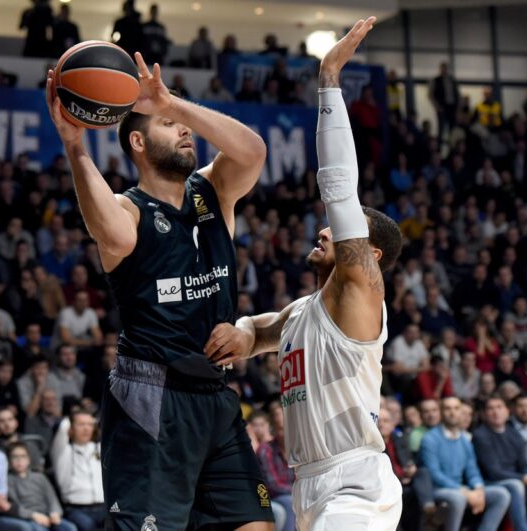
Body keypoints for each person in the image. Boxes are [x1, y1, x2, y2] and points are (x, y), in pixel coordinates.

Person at [45, 23, 271, 528]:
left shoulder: (213, 190)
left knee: (256, 522)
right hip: (152, 394)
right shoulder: (128, 210)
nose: (185, 130)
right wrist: (75, 146)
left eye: (181, 123)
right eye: (169, 125)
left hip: (215, 393)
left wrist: (170, 104)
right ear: (139, 142)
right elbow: (112, 235)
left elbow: (253, 151)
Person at [206, 19, 404, 530]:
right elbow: (259, 331)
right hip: (309, 484)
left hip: (356, 483)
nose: (324, 230)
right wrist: (241, 334)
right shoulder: (302, 312)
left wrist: (329, 80)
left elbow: (339, 187)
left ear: (369, 254)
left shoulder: (361, 291)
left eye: (340, 231)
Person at [420, 397, 511, 531]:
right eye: (447, 408)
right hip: (438, 489)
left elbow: (472, 470)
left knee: (501, 494)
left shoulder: (464, 440)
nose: (452, 412)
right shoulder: (430, 439)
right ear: (441, 412)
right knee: (458, 498)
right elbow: (434, 474)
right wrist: (464, 491)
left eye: (456, 408)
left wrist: (479, 489)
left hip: (461, 489)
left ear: (461, 412)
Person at [472, 396, 527, 531]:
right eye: (490, 408)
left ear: (507, 411)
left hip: (516, 481)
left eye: (499, 407)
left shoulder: (514, 434)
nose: (496, 412)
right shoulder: (480, 435)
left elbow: (524, 466)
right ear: (484, 414)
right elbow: (493, 472)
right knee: (515, 485)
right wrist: (526, 478)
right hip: (490, 482)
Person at [51, 410, 104, 531]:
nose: (86, 428)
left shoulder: (100, 448)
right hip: (76, 509)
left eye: (90, 424)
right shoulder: (62, 450)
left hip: (103, 507)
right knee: (88, 526)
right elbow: (63, 427)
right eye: (80, 424)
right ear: (71, 428)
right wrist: (75, 412)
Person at [7, 443, 77, 531]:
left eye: (23, 456)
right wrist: (33, 515)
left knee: (70, 528)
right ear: (9, 460)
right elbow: (15, 506)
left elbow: (52, 499)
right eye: (15, 457)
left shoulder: (40, 477)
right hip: (29, 518)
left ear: (28, 459)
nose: (19, 460)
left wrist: (55, 513)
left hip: (48, 515)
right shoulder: (8, 480)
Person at [429, 62, 459, 140]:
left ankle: (451, 144)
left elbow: (457, 94)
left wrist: (457, 108)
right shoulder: (436, 80)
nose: (444, 70)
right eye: (442, 68)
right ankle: (439, 144)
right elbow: (431, 94)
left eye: (445, 68)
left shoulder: (452, 80)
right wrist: (437, 106)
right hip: (442, 107)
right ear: (440, 69)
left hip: (452, 107)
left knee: (452, 128)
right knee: (441, 128)